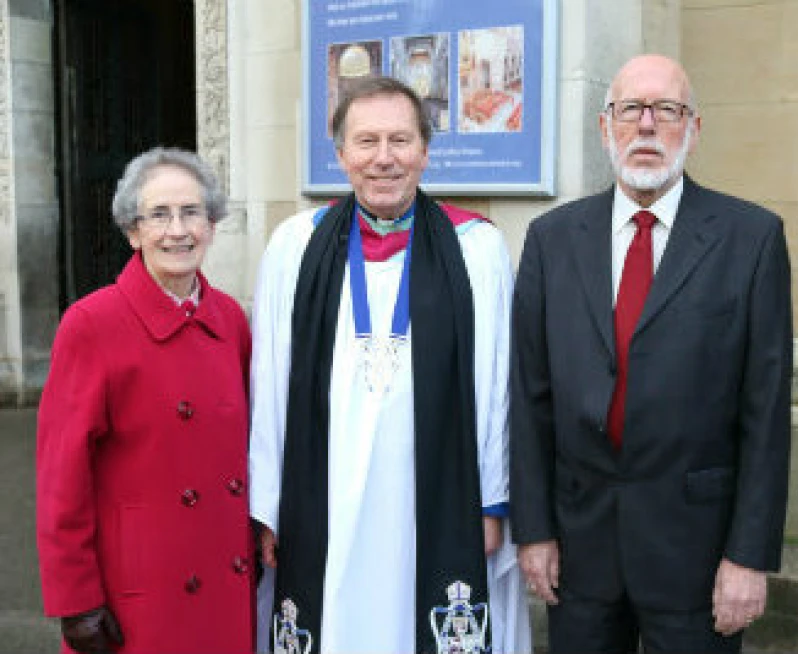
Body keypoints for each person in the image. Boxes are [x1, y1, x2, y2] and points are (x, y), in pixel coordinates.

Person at [510, 54, 793, 653]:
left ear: (693, 127)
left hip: (697, 556)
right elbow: (530, 398)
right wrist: (533, 531)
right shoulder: (552, 239)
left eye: (666, 110)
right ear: (603, 125)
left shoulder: (752, 240)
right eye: (630, 109)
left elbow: (765, 415)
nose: (646, 126)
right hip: (581, 555)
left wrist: (748, 556)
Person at [249, 76, 531, 654]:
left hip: (436, 496)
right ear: (340, 154)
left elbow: (499, 385)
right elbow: (270, 384)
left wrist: (492, 503)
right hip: (324, 492)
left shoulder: (475, 248)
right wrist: (270, 507)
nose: (384, 158)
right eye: (367, 141)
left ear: (426, 152)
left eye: (400, 140)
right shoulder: (294, 246)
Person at [37, 148, 255, 654]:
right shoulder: (91, 325)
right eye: (158, 215)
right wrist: (76, 601)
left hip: (225, 580)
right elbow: (60, 480)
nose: (177, 230)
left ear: (212, 224)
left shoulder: (230, 319)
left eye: (191, 212)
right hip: (139, 595)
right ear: (132, 232)